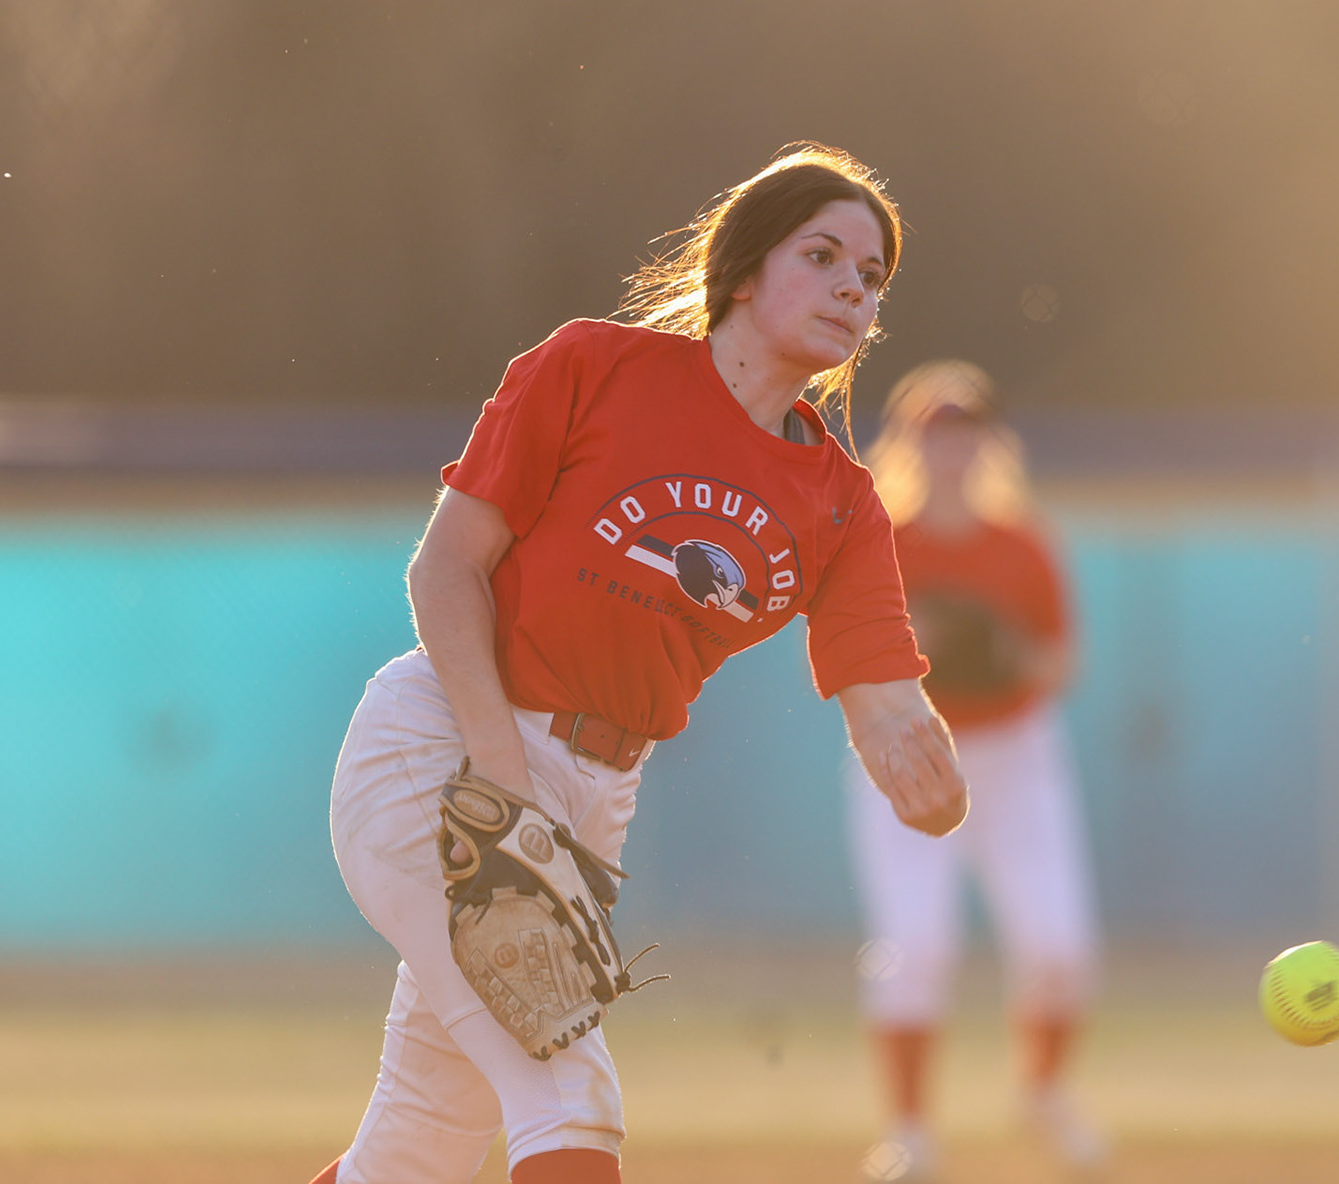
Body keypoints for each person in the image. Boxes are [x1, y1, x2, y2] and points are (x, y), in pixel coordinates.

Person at [311, 144, 969, 1184]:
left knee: (423, 1136)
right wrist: (501, 777)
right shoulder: (593, 367)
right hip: (443, 747)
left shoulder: (840, 501)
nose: (854, 283)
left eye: (874, 275)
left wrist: (914, 756)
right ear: (747, 269)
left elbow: (880, 686)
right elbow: (446, 569)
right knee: (567, 1084)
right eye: (826, 253)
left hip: (593, 798)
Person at [848, 361, 1103, 1180]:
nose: (951, 445)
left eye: (966, 430)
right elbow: (853, 658)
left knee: (1059, 945)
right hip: (912, 751)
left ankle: (1043, 1095)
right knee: (914, 944)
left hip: (1015, 755)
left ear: (989, 445)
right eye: (935, 428)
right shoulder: (882, 541)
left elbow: (1059, 663)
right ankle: (912, 1132)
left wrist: (996, 648)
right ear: (909, 441)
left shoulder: (1023, 544)